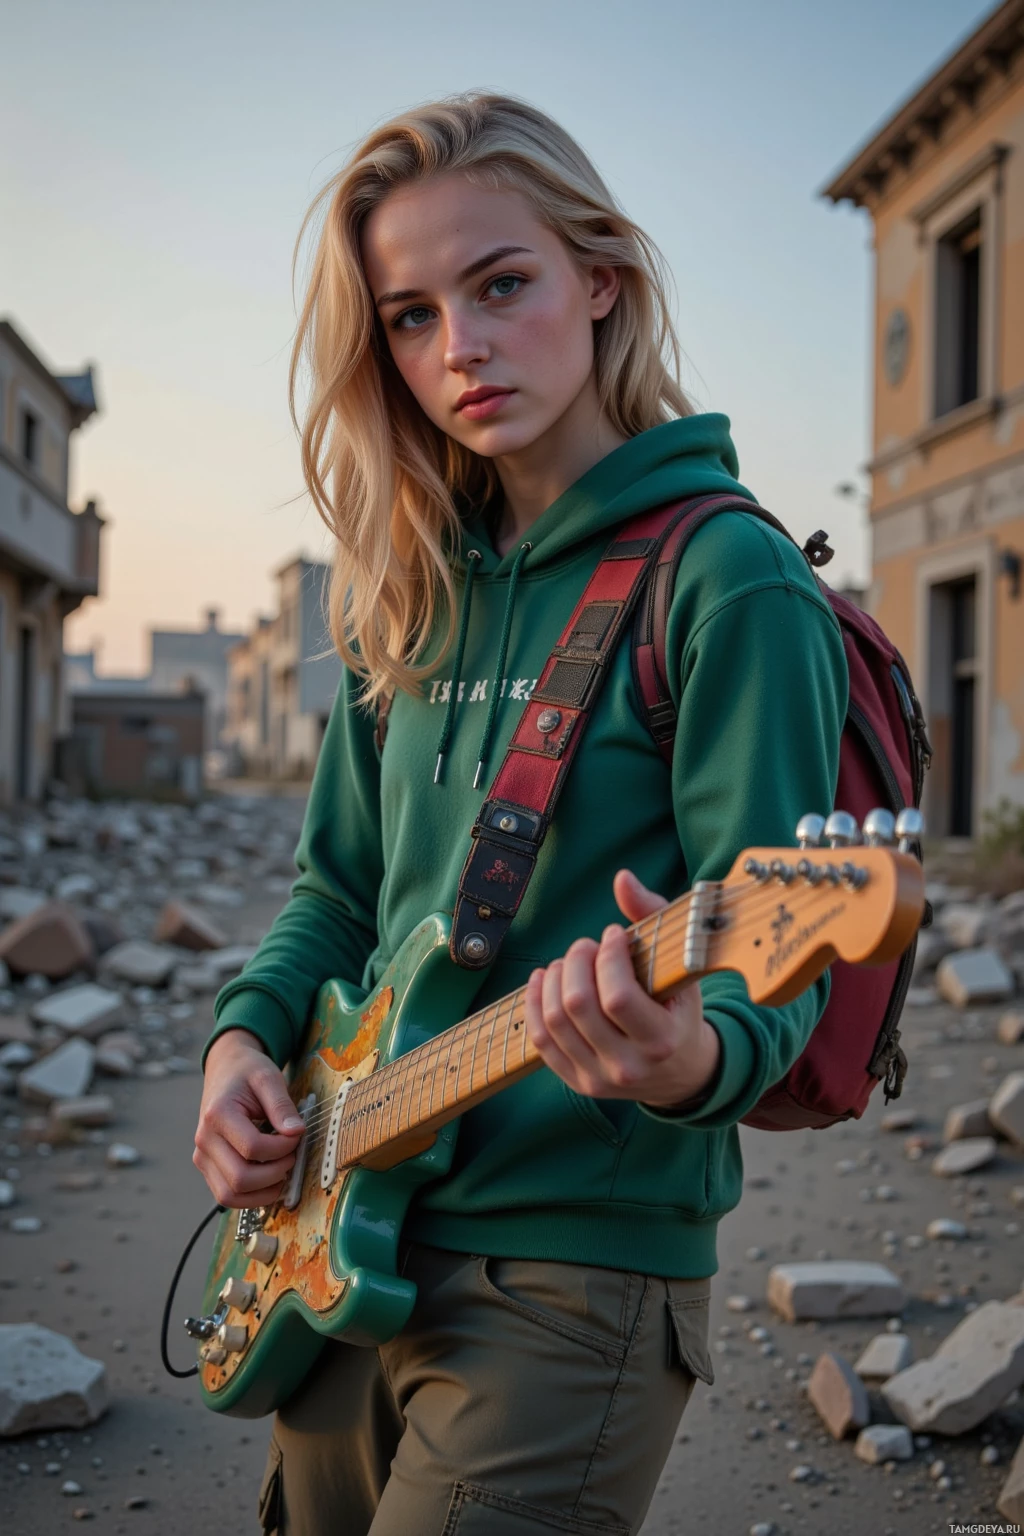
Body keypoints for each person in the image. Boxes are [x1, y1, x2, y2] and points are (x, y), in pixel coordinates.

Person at [193, 92, 848, 1536]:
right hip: (339, 1228)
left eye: (501, 285)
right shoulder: (403, 585)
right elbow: (338, 895)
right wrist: (241, 1040)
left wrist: (686, 1059)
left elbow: (772, 963)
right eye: (410, 317)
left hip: (574, 1275)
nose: (460, 350)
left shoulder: (728, 580)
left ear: (598, 278)